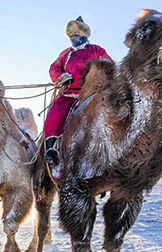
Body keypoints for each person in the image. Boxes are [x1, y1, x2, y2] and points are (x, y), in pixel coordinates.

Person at [44, 16, 114, 165]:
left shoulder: (97, 50)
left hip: (91, 95)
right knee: (55, 115)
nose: (73, 39)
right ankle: (51, 149)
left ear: (83, 35)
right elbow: (54, 68)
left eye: (75, 35)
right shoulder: (66, 54)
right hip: (69, 94)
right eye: (71, 36)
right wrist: (60, 77)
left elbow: (109, 67)